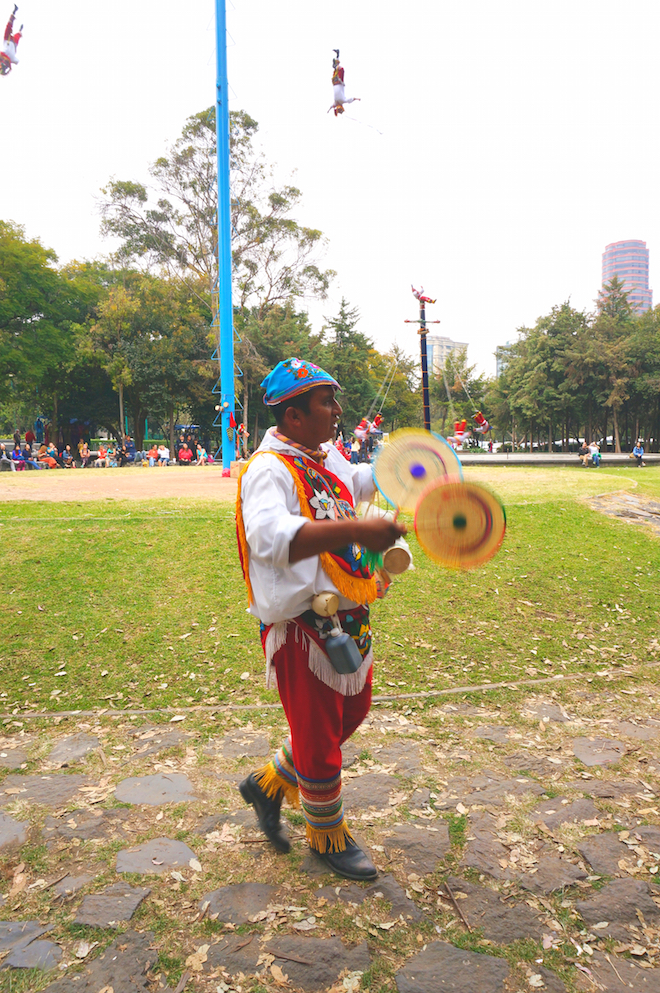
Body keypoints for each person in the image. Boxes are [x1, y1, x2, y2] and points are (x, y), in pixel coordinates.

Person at [236, 357, 405, 882]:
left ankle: (268, 783)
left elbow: (353, 481)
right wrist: (355, 530)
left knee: (351, 712)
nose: (337, 411)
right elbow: (267, 538)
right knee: (316, 735)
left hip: (347, 619)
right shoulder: (269, 469)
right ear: (293, 417)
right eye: (326, 402)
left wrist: (398, 469)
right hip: (303, 629)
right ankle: (327, 834)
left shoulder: (322, 451)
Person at [328, 49, 360, 117]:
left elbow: (331, 106)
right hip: (340, 82)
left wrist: (328, 110)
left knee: (335, 69)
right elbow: (351, 99)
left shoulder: (335, 103)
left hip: (335, 82)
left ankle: (337, 55)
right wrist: (357, 99)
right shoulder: (343, 100)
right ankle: (338, 54)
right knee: (339, 68)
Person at [0, 5, 21, 76]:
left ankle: (13, 13)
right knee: (10, 29)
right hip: (10, 43)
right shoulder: (12, 58)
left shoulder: (11, 58)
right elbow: (17, 61)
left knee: (9, 27)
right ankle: (13, 13)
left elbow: (17, 61)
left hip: (8, 42)